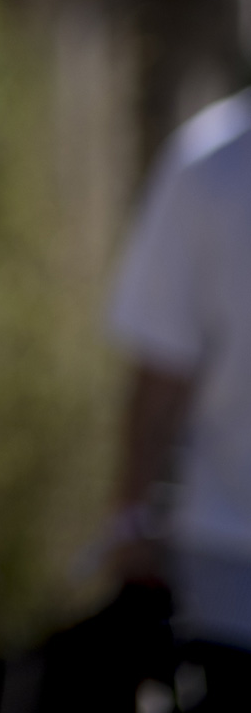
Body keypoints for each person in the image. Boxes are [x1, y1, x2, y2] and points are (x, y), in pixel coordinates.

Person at [109, 89, 251, 708]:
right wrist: (135, 515)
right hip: (229, 556)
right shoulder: (210, 163)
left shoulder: (210, 162)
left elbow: (162, 371)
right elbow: (162, 368)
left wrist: (131, 519)